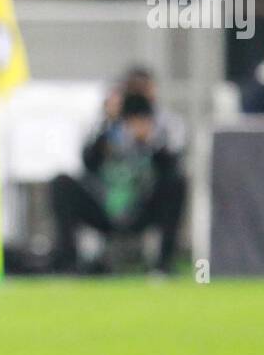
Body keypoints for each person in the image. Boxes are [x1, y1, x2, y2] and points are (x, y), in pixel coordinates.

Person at [50, 90, 186, 275]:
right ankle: (69, 264)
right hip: (105, 208)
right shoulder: (107, 135)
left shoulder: (158, 141)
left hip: (140, 209)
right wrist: (105, 134)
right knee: (61, 183)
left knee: (177, 183)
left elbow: (170, 170)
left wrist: (150, 143)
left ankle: (163, 264)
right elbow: (88, 163)